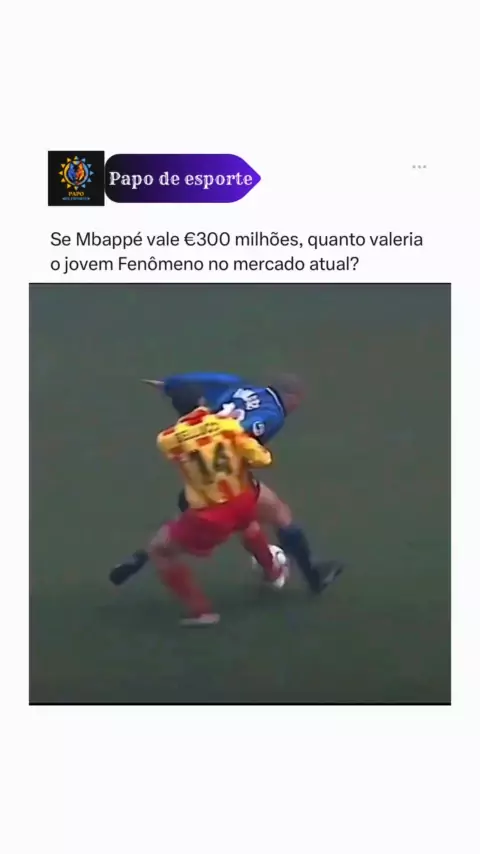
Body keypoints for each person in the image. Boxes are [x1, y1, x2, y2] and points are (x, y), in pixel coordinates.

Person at [141, 371, 344, 592]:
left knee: (247, 522)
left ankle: (274, 569)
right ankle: (311, 575)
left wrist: (171, 384)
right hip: (228, 477)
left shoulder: (242, 388)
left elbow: (211, 380)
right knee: (276, 516)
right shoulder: (272, 414)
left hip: (206, 468)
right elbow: (239, 435)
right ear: (292, 397)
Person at [110, 401, 287, 624]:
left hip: (211, 514)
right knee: (248, 526)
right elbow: (263, 459)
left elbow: (174, 449)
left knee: (160, 551)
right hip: (243, 499)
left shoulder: (169, 437)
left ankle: (202, 611)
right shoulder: (228, 426)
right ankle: (273, 572)